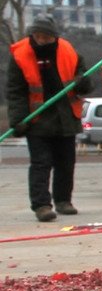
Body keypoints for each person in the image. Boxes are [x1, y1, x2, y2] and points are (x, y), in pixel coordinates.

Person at [6, 15, 92, 222]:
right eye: (38, 36)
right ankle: (42, 205)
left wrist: (81, 81)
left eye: (47, 37)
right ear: (32, 35)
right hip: (37, 119)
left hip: (65, 116)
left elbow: (85, 81)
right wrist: (18, 118)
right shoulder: (20, 56)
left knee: (66, 162)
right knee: (41, 163)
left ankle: (63, 201)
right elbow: (15, 91)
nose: (42, 40)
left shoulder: (68, 51)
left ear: (54, 37)